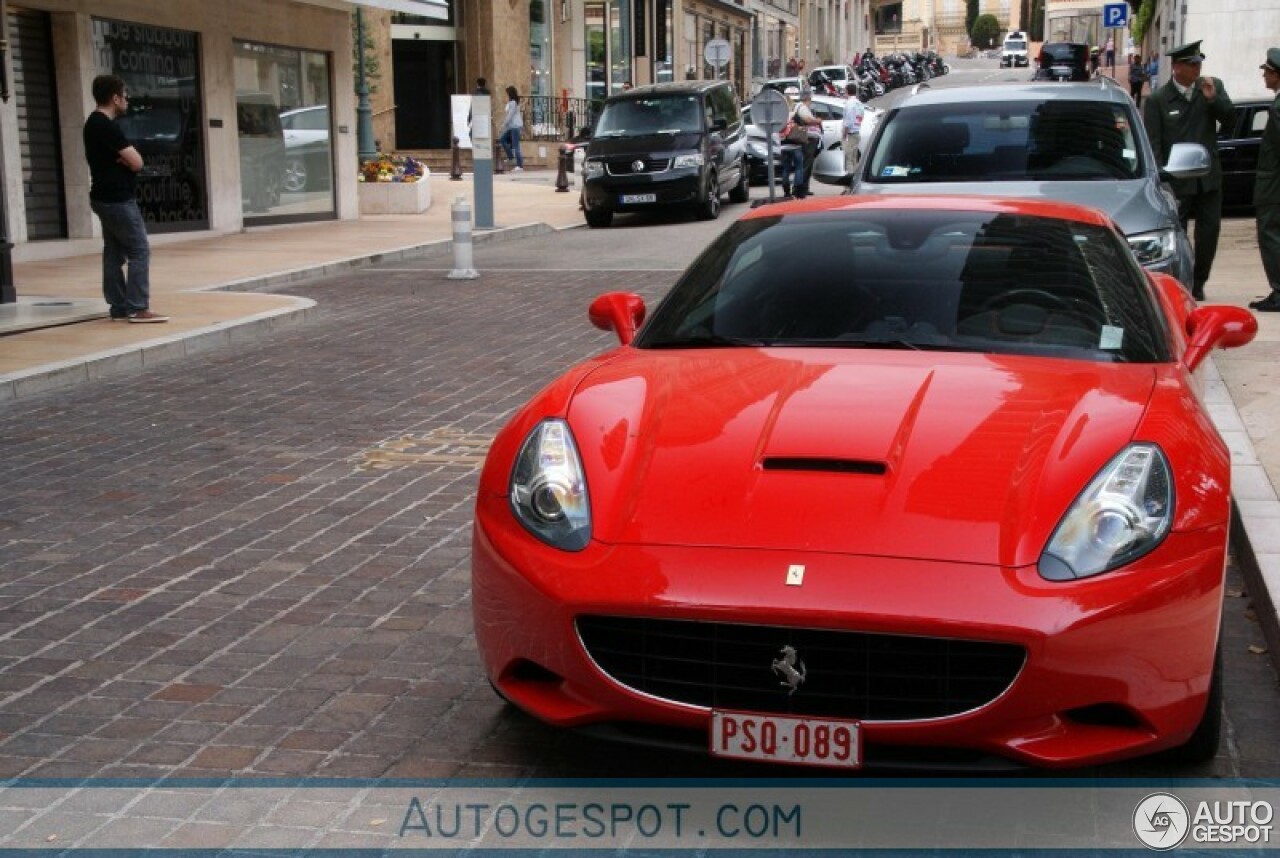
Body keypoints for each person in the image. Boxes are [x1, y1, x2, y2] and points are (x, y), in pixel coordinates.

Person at [1143, 40, 1235, 300]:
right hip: (1177, 181)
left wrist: (1213, 100)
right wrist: (1161, 179)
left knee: (1209, 233)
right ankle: (1178, 281)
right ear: (1177, 67)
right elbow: (1154, 143)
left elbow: (1230, 120)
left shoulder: (1211, 87)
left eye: (1199, 63)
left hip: (1207, 178)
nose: (1197, 69)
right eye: (1192, 64)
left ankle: (1199, 281)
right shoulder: (1159, 100)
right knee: (1176, 235)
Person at [82, 74, 166, 323]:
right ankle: (138, 307)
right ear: (115, 98)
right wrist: (128, 162)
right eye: (125, 95)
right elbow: (137, 162)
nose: (128, 100)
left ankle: (118, 307)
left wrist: (126, 161)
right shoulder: (105, 126)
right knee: (139, 249)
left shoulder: (93, 124)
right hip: (117, 199)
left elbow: (129, 160)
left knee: (114, 251)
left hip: (103, 196)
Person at [1250, 48, 1280, 312]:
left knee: (1270, 236)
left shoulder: (1279, 108)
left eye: (1267, 72)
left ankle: (1279, 291)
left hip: (1274, 186)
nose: (1264, 77)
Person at [792, 89, 823, 198]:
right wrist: (817, 121)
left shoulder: (800, 107)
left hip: (807, 138)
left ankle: (804, 187)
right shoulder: (802, 107)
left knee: (806, 164)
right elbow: (807, 120)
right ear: (807, 98)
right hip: (807, 139)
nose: (811, 100)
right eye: (810, 98)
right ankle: (799, 189)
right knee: (805, 164)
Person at [840, 81, 866, 192]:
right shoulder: (859, 103)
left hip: (850, 134)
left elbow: (849, 121)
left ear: (847, 91)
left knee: (848, 160)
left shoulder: (849, 104)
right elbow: (860, 117)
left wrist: (844, 134)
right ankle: (855, 184)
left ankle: (848, 186)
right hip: (857, 132)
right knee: (854, 160)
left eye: (845, 91)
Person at [498, 85, 524, 171]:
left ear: (510, 94)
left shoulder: (513, 103)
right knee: (502, 139)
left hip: (515, 127)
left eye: (507, 93)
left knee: (516, 146)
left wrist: (504, 125)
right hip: (512, 127)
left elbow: (510, 115)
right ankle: (510, 157)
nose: (506, 95)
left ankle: (520, 166)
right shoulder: (511, 103)